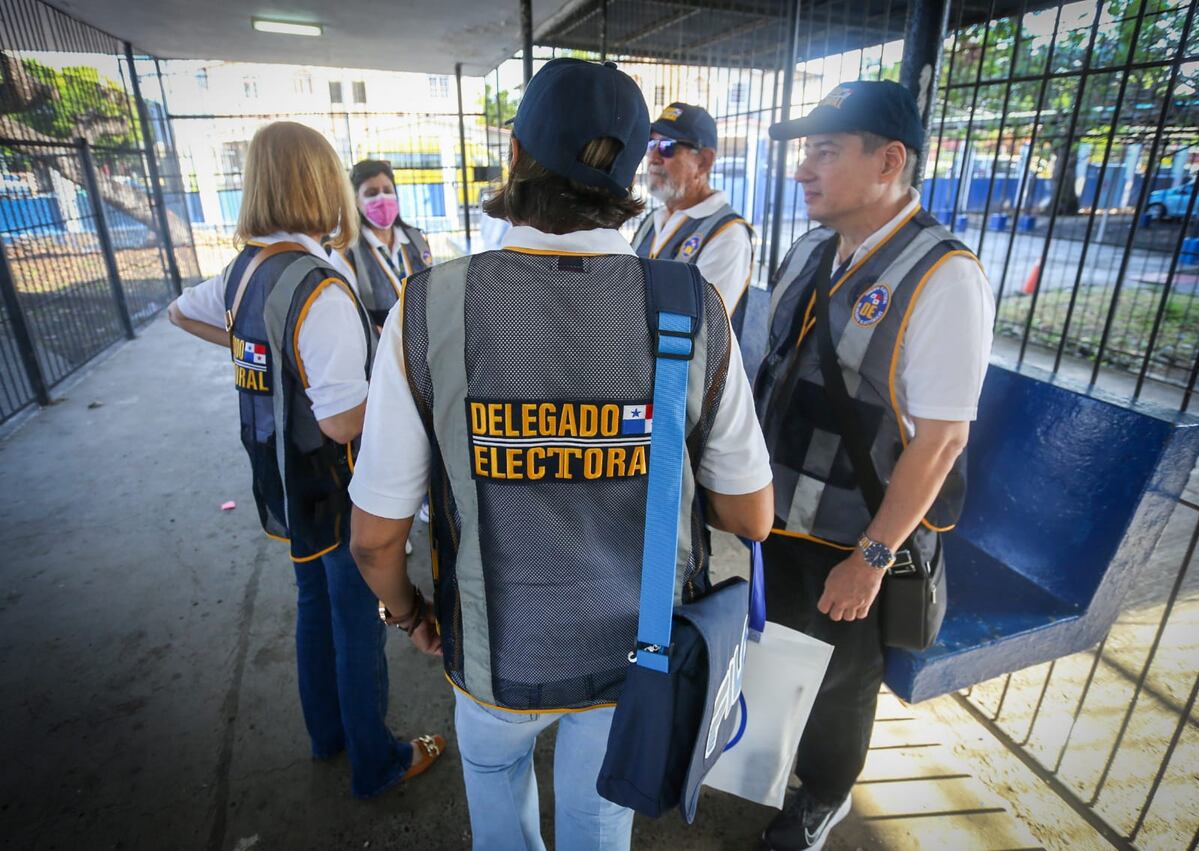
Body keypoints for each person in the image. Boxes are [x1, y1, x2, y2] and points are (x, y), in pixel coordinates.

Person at [347, 59, 774, 850]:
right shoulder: (690, 307)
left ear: (515, 154)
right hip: (636, 657)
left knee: (499, 818)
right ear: (632, 175)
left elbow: (374, 538)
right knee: (596, 824)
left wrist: (408, 614)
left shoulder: (429, 306)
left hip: (492, 653)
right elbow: (751, 515)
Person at [166, 121, 444, 800]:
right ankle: (376, 761)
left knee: (314, 604)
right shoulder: (319, 286)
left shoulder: (247, 269)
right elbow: (342, 419)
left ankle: (328, 736)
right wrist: (403, 399)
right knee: (357, 622)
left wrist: (266, 357)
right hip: (332, 478)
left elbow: (181, 312)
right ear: (322, 185)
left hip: (282, 475)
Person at [753, 80, 994, 851]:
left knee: (841, 679)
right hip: (774, 511)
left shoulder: (943, 277)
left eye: (824, 151)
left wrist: (872, 557)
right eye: (805, 151)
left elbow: (942, 440)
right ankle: (765, 763)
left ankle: (824, 793)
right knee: (776, 649)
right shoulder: (810, 249)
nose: (803, 169)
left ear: (889, 161)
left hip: (852, 533)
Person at [631, 102, 755, 333]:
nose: (654, 157)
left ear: (704, 161)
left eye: (667, 146)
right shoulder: (653, 220)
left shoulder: (727, 235)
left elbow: (701, 327)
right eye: (651, 144)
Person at [342, 159, 436, 328]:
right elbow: (349, 318)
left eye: (387, 191)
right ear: (355, 200)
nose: (382, 198)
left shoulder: (416, 239)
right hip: (379, 343)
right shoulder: (348, 253)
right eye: (371, 193)